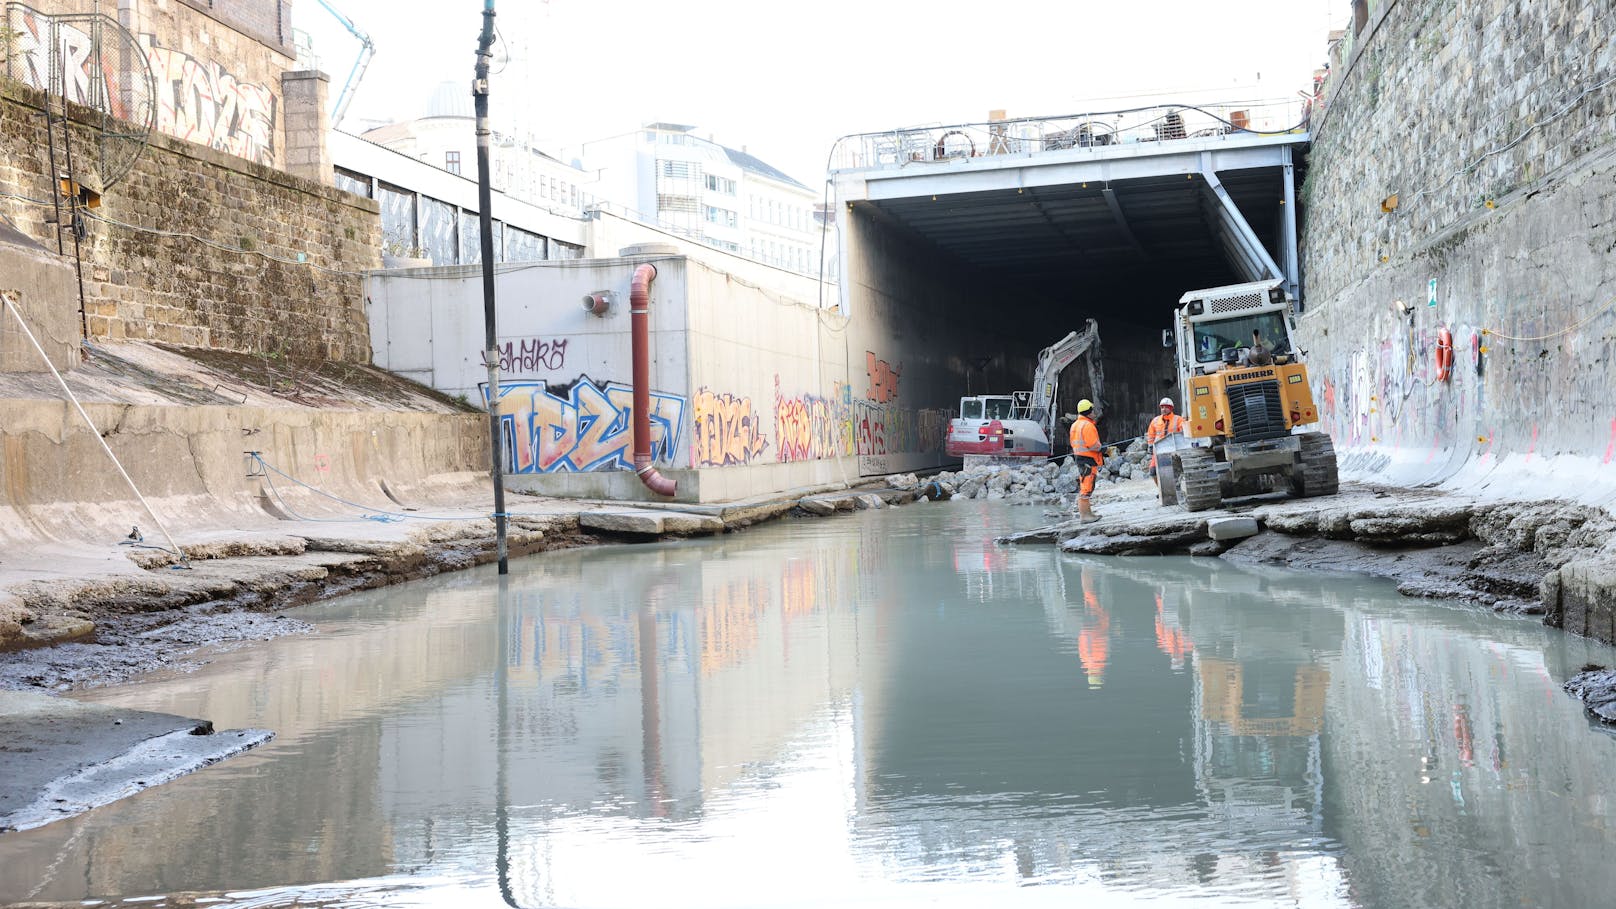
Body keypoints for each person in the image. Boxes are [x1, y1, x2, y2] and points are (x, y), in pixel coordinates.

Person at [1068, 398, 1104, 523]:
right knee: (1087, 487)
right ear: (1089, 412)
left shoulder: (1075, 425)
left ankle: (1088, 514)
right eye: (1093, 410)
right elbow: (1093, 445)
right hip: (1088, 458)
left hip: (1080, 458)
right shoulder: (1088, 425)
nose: (1094, 412)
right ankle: (1085, 516)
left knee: (1085, 484)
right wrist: (1102, 448)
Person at [1144, 397, 1187, 482]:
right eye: (1162, 407)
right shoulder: (1155, 421)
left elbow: (1183, 434)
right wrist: (1150, 446)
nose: (1164, 409)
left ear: (1171, 408)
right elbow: (1151, 435)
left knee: (1174, 472)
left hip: (1174, 450)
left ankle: (1175, 489)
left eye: (1166, 407)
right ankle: (1160, 491)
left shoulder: (1178, 419)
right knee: (1153, 472)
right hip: (1159, 450)